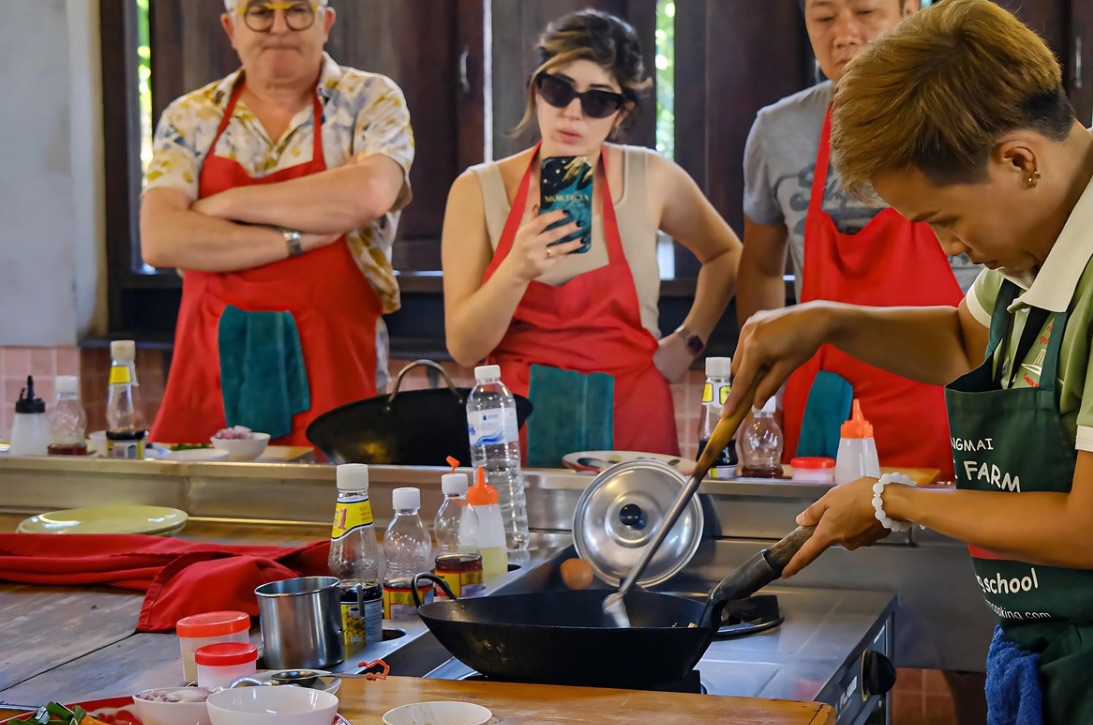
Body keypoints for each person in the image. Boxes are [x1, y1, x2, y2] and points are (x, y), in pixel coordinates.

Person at [726, 2, 1093, 725]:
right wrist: (828, 321)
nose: (950, 246)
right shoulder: (1051, 234)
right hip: (1088, 659)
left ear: (1018, 159)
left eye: (945, 219)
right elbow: (959, 340)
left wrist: (894, 500)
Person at [441, 10, 739, 466]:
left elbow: (726, 254)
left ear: (622, 112)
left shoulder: (651, 177)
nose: (572, 112)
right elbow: (463, 347)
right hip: (514, 424)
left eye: (598, 100)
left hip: (635, 417)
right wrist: (516, 269)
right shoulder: (477, 190)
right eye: (558, 89)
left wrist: (688, 344)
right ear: (535, 88)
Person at [141, 0, 413, 446]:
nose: (280, 27)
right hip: (212, 361)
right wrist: (297, 239)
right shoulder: (190, 116)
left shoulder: (371, 99)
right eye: (260, 11)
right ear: (231, 28)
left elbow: (368, 195)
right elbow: (161, 238)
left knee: (340, 503)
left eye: (298, 11)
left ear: (326, 23)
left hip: (337, 357)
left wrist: (222, 204)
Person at [738, 0, 976, 481]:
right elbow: (761, 268)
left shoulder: (966, 116)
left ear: (911, 10)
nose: (843, 34)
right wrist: (759, 390)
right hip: (825, 404)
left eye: (865, 11)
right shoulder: (777, 131)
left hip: (951, 391)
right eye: (823, 18)